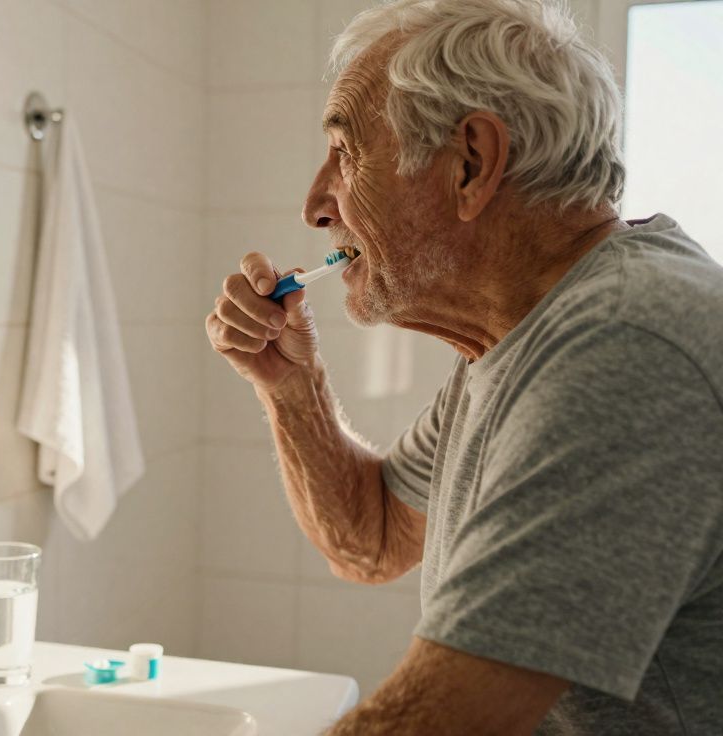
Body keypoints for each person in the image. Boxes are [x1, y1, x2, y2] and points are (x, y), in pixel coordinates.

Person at [205, 0, 722, 733]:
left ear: (472, 164)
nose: (315, 206)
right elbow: (373, 539)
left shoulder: (623, 345)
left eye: (346, 153)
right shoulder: (519, 337)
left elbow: (442, 725)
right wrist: (292, 386)